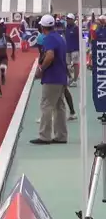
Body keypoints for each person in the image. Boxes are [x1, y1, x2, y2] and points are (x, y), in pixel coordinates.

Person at [31, 14, 68, 145]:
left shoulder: (48, 39)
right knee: (59, 106)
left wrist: (41, 69)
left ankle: (44, 136)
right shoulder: (60, 37)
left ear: (42, 26)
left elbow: (50, 56)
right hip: (61, 76)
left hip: (52, 77)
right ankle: (61, 135)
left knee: (46, 105)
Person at [64, 13, 80, 87]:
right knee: (66, 65)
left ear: (73, 20)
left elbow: (80, 39)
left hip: (75, 49)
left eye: (69, 19)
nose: (68, 20)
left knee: (76, 64)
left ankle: (75, 80)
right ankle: (70, 77)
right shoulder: (66, 28)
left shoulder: (76, 28)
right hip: (67, 49)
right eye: (67, 19)